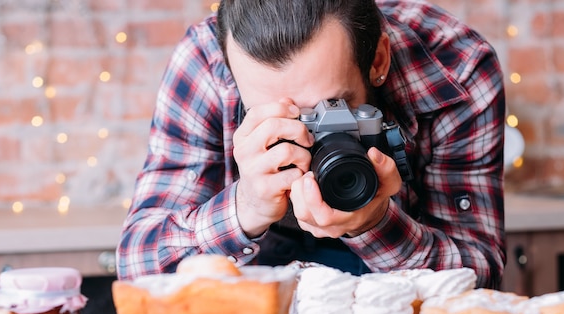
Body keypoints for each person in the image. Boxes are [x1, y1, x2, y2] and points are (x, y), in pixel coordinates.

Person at [116, 0, 506, 288]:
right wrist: (247, 206)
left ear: (379, 60)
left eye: (330, 108)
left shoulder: (456, 67)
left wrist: (375, 224)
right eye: (275, 114)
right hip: (253, 308)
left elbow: (481, 275)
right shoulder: (206, 62)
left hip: (399, 313)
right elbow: (139, 268)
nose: (308, 134)